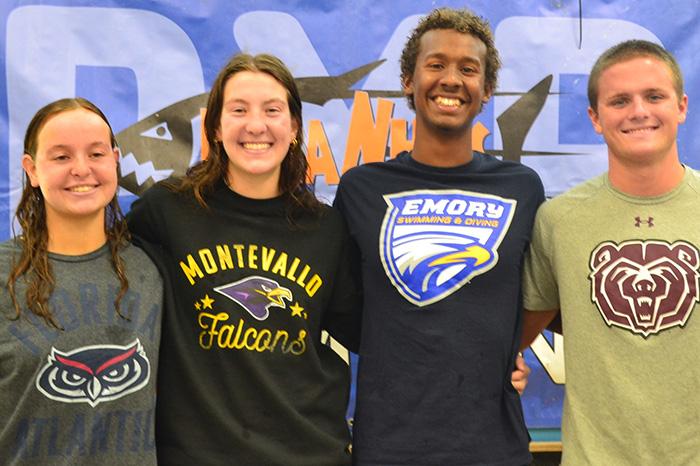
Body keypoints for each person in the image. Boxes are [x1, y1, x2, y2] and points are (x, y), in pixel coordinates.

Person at [127, 53, 361, 465]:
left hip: (308, 452)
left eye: (272, 110)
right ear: (215, 128)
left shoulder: (326, 229)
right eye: (239, 110)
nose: (256, 125)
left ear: (293, 127)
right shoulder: (166, 212)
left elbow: (370, 334)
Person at [334, 8, 544, 465]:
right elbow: (344, 312)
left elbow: (540, 294)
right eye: (436, 65)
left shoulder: (522, 188)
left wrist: (507, 350)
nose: (451, 79)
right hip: (388, 446)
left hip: (494, 446)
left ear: (487, 88)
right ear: (408, 81)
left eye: (468, 69)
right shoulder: (360, 189)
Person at [521, 40, 700, 464]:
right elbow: (513, 332)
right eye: (620, 101)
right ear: (595, 118)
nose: (638, 111)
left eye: (654, 96)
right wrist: (501, 366)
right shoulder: (559, 221)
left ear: (681, 107)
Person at [0, 98, 163, 465]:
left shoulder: (150, 269)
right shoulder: (3, 274)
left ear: (115, 161)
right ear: (32, 169)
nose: (81, 169)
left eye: (96, 154)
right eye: (61, 157)